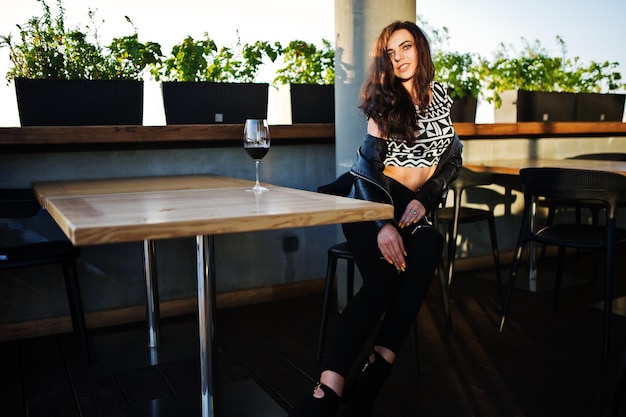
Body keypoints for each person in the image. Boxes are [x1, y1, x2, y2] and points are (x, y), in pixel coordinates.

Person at [289, 20, 463, 417]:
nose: (399, 57)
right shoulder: (385, 102)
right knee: (384, 280)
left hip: (412, 205)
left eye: (406, 47)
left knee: (431, 244)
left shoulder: (441, 97)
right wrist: (383, 223)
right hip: (370, 202)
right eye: (391, 52)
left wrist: (429, 196)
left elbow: (453, 158)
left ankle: (375, 369)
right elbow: (366, 169)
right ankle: (328, 388)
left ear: (420, 49)